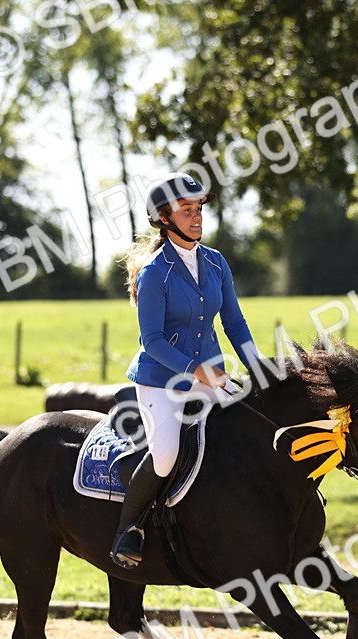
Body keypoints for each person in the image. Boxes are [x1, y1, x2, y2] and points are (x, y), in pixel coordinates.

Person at [110, 172, 259, 568]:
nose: (196, 217)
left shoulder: (215, 262)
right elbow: (152, 342)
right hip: (160, 381)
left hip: (211, 375)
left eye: (199, 209)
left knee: (250, 428)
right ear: (163, 217)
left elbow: (234, 323)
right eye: (186, 210)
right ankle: (129, 528)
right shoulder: (155, 272)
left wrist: (257, 367)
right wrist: (196, 371)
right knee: (165, 454)